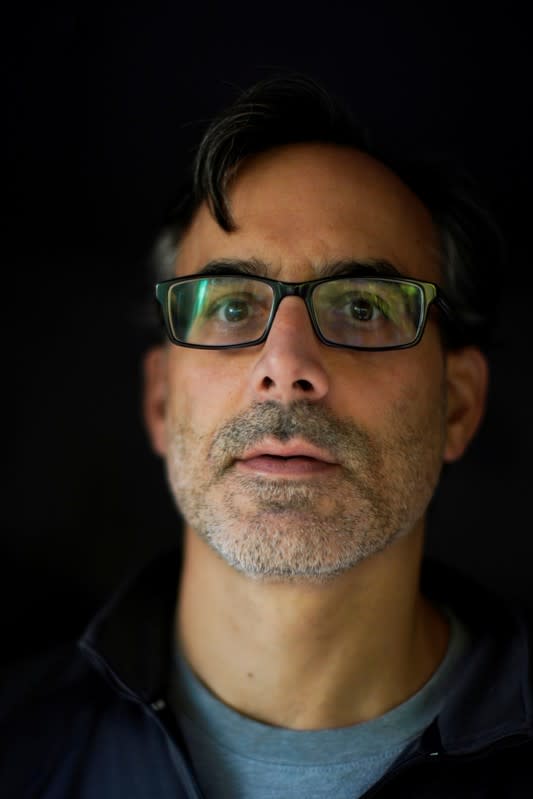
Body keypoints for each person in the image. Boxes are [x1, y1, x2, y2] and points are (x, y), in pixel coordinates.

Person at [1, 73, 532, 798]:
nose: (284, 367)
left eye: (362, 305)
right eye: (228, 305)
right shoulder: (19, 746)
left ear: (457, 407)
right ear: (160, 398)